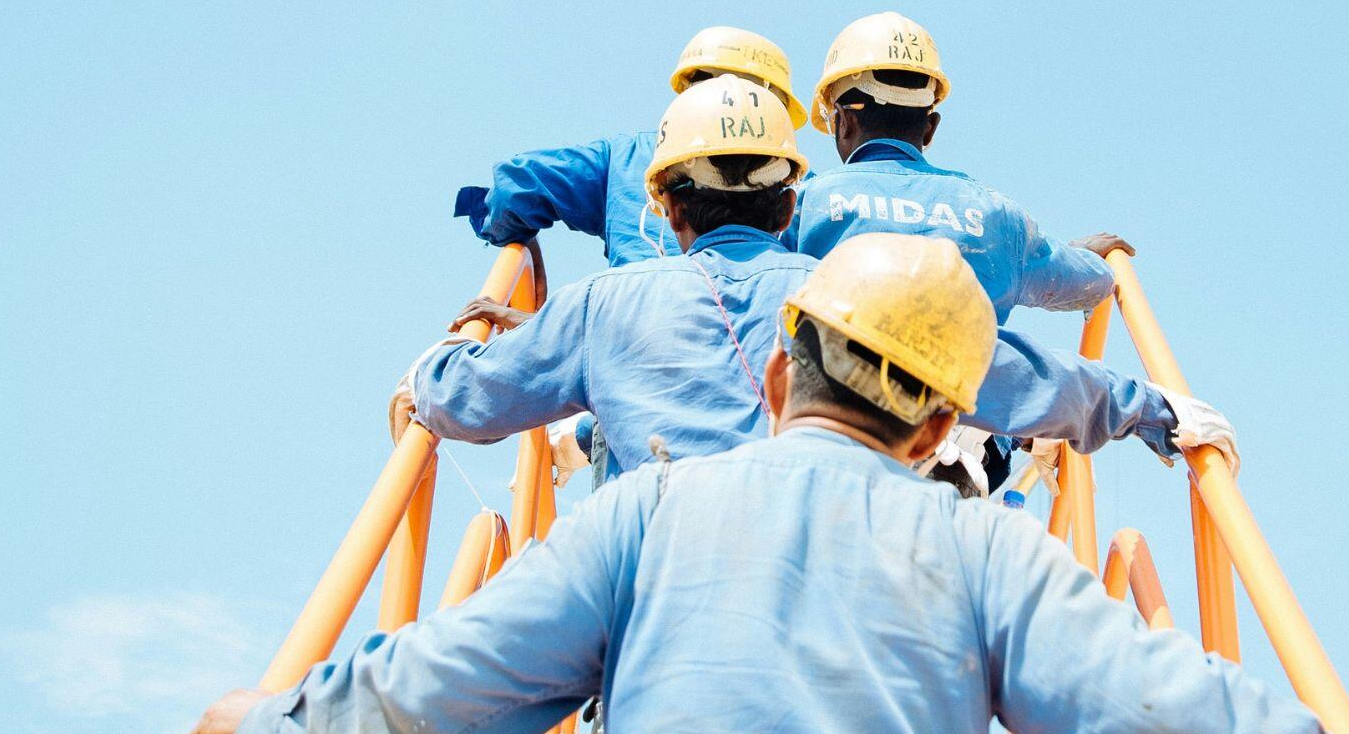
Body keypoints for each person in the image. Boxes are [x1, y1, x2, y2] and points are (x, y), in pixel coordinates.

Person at [189, 233, 1349, 734]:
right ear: (943, 430)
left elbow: (457, 680)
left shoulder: (647, 512)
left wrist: (274, 724)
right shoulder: (986, 541)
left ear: (779, 373)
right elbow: (1155, 718)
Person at [390, 76, 1234, 483]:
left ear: (666, 204)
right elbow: (1011, 373)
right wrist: (1152, 408)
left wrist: (442, 362)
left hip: (652, 635)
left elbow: (467, 402)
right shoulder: (855, 299)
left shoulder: (600, 307)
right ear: (791, 191)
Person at [795, 11, 1127, 322]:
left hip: (834, 382)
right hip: (967, 383)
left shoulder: (804, 204)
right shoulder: (996, 215)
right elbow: (1085, 282)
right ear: (930, 127)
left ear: (844, 121)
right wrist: (1087, 259)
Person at [453, 26, 808, 269]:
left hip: (628, 344)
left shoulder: (622, 160)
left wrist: (516, 238)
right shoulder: (798, 186)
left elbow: (516, 187)